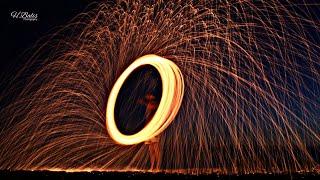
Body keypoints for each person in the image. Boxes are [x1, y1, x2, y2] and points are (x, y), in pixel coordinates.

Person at [137, 93, 161, 170]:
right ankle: (152, 166)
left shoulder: (155, 104)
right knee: (151, 149)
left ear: (152, 96)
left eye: (149, 95)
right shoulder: (149, 103)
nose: (147, 96)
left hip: (154, 128)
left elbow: (151, 105)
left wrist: (146, 101)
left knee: (156, 148)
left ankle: (157, 167)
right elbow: (143, 101)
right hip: (148, 128)